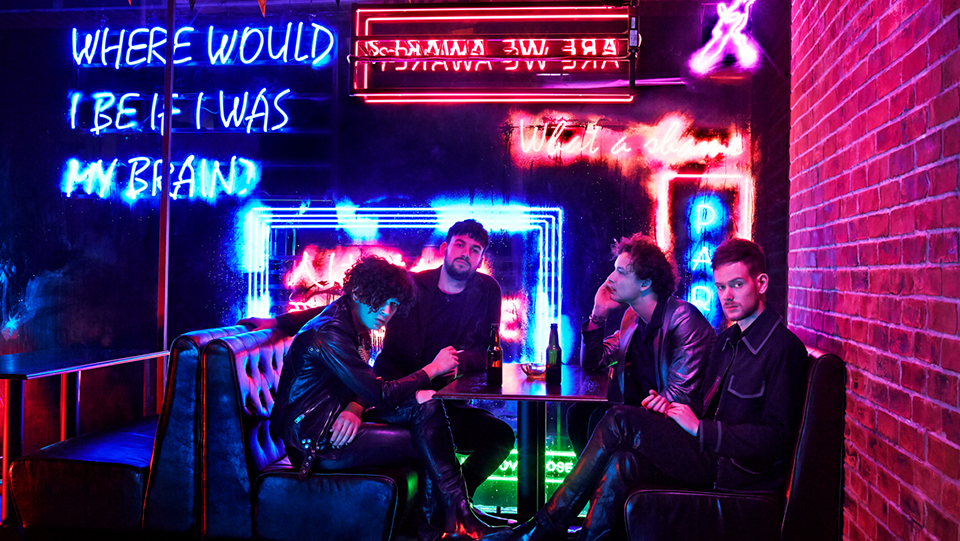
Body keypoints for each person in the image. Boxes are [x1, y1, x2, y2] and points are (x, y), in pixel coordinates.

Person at [495, 238, 808, 541]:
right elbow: (700, 401)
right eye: (722, 286)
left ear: (761, 283)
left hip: (735, 472)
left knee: (618, 419)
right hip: (709, 452)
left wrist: (699, 427)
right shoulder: (728, 339)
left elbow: (777, 438)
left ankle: (543, 528)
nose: (727, 295)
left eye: (737, 285)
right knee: (620, 460)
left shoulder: (783, 348)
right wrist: (670, 407)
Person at [246, 220, 515, 499]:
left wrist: (455, 364)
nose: (465, 254)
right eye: (460, 245)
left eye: (475, 250)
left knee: (499, 437)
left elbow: (489, 350)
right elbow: (344, 308)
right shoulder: (411, 286)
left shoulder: (487, 291)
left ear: (481, 259)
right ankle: (449, 512)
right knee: (428, 438)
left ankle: (455, 505)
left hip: (442, 401)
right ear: (445, 248)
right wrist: (277, 322)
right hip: (392, 399)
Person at [269, 256, 505, 540]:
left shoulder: (354, 322)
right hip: (314, 441)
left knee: (427, 403)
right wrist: (431, 369)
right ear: (358, 292)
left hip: (333, 420)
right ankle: (444, 525)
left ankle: (453, 520)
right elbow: (379, 394)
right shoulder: (331, 333)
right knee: (426, 440)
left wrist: (354, 406)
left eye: (393, 305)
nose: (386, 312)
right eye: (380, 301)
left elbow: (361, 384)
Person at [566, 233, 715, 456]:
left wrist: (631, 414)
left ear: (645, 283)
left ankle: (591, 479)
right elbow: (593, 362)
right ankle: (591, 478)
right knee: (578, 413)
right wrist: (598, 314)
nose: (610, 279)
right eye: (614, 269)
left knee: (602, 417)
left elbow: (678, 395)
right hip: (638, 412)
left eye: (621, 272)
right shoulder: (632, 317)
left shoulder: (683, 318)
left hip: (677, 426)